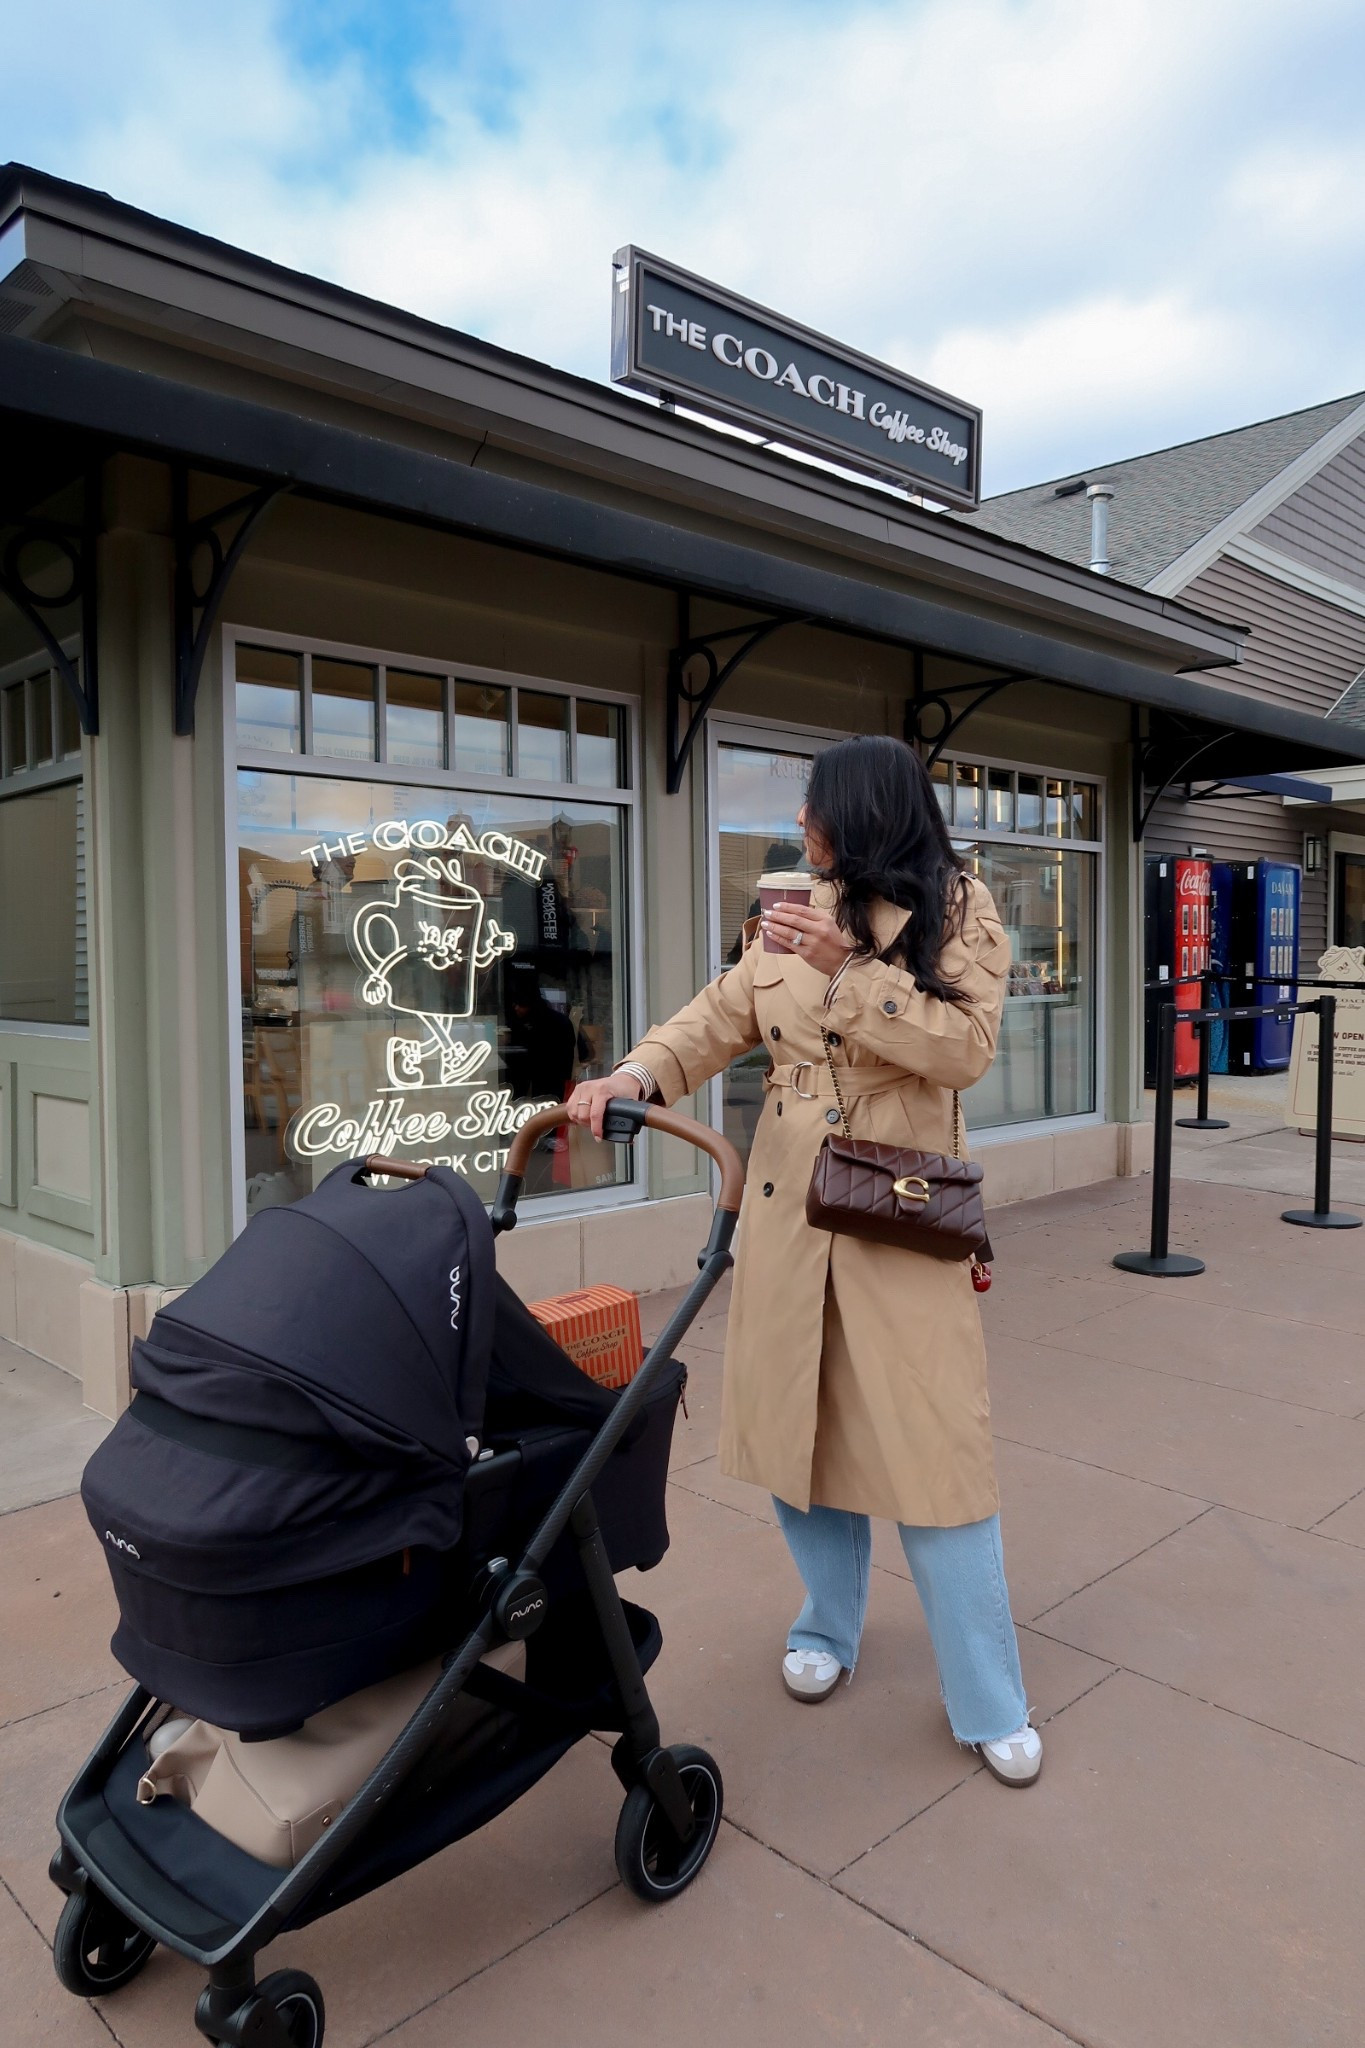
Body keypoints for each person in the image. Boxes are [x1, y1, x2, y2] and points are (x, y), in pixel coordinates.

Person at [566, 734, 1040, 1786]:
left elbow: (965, 1050)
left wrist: (851, 969)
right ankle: (828, 1623)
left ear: (867, 816)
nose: (801, 831)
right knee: (796, 1428)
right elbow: (724, 1010)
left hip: (897, 1209)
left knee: (935, 1451)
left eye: (817, 812)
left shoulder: (961, 907)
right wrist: (636, 1070)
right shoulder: (789, 903)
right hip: (787, 1207)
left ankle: (989, 1694)